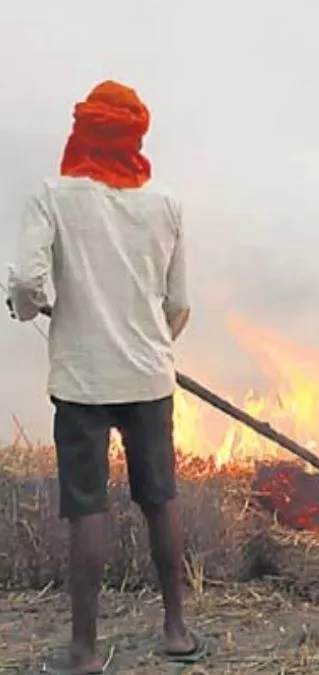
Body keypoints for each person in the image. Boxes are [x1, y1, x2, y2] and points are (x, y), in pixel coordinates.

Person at [7, 81, 205, 674]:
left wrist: (26, 308)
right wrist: (149, 346)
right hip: (149, 380)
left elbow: (27, 285)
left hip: (82, 384)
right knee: (160, 499)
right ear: (134, 137)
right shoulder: (165, 204)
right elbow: (178, 305)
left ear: (83, 133)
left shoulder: (53, 197)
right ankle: (176, 632)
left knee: (87, 508)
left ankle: (85, 650)